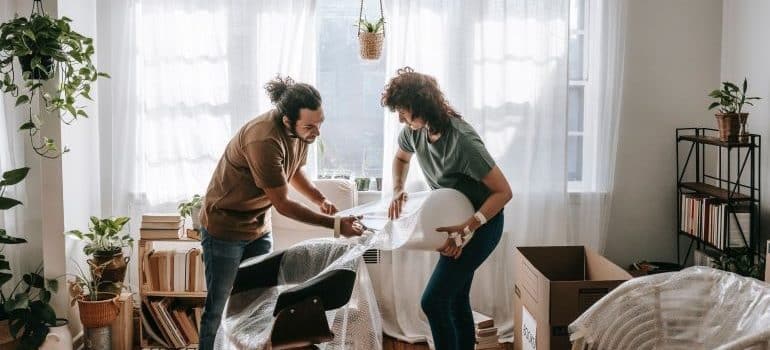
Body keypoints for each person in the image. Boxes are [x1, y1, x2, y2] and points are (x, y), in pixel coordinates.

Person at [198, 75, 364, 349]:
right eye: (310, 126)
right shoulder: (263, 139)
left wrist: (319, 198)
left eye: (320, 123)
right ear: (287, 120)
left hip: (258, 226)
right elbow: (284, 203)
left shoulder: (300, 135)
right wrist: (335, 225)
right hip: (225, 229)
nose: (317, 132)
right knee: (220, 306)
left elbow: (294, 169)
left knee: (260, 302)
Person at [382, 67, 513, 350]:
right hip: (456, 219)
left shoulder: (463, 141)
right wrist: (397, 189)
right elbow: (401, 159)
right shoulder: (413, 132)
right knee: (454, 298)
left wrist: (468, 229)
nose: (400, 118)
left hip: (484, 222)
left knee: (434, 301)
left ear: (420, 106)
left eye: (403, 111)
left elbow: (504, 192)